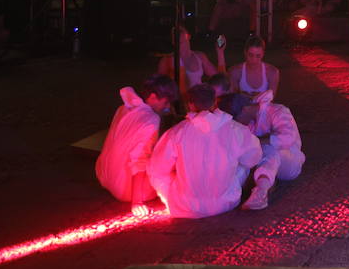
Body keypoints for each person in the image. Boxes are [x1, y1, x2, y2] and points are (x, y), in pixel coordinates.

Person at [148, 84, 263, 219]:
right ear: (215, 102)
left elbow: (158, 169)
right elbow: (254, 158)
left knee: (155, 169)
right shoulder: (236, 129)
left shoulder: (177, 132)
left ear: (190, 105)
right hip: (226, 203)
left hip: (185, 207)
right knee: (245, 161)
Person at [95, 75, 178, 215]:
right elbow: (139, 160)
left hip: (104, 176)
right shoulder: (151, 120)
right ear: (152, 97)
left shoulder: (124, 107)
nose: (167, 107)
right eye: (166, 102)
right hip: (125, 190)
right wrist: (136, 202)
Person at [233, 89, 306, 210]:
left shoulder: (278, 111)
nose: (236, 123)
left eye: (236, 119)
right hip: (267, 164)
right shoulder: (249, 123)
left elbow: (287, 138)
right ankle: (258, 186)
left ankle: (261, 192)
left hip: (290, 162)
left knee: (268, 147)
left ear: (244, 109)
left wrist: (259, 141)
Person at [157, 25, 226, 93]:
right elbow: (159, 87)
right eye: (175, 34)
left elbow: (220, 80)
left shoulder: (199, 56)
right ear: (172, 41)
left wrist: (220, 52)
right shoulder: (166, 60)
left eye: (180, 31)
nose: (178, 34)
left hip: (200, 99)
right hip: (180, 100)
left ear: (188, 36)